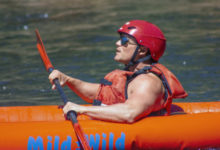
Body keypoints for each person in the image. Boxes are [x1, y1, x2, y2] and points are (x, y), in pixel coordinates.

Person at [49, 20, 188, 123]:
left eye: (124, 41)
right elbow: (99, 93)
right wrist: (68, 80)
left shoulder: (148, 83)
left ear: (142, 50)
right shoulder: (132, 76)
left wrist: (82, 110)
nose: (117, 43)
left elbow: (129, 113)